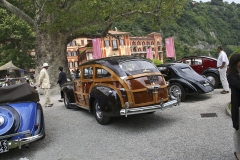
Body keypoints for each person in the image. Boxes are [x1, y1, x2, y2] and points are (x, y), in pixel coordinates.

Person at [227, 53, 240, 160]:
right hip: (238, 106)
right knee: (238, 130)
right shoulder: (231, 75)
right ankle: (238, 152)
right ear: (236, 62)